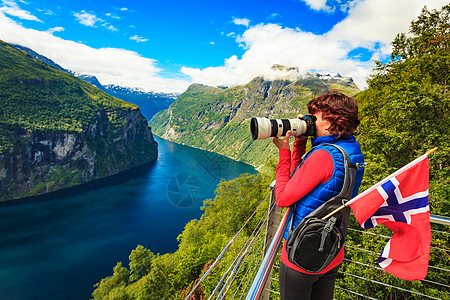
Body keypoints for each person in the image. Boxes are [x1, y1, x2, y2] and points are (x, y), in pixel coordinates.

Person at [272, 90, 365, 300]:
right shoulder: (351, 149)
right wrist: (300, 144)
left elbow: (283, 198)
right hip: (331, 248)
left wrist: (284, 154)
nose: (310, 122)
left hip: (303, 251)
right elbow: (301, 179)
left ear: (333, 119)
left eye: (314, 117)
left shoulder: (323, 155)